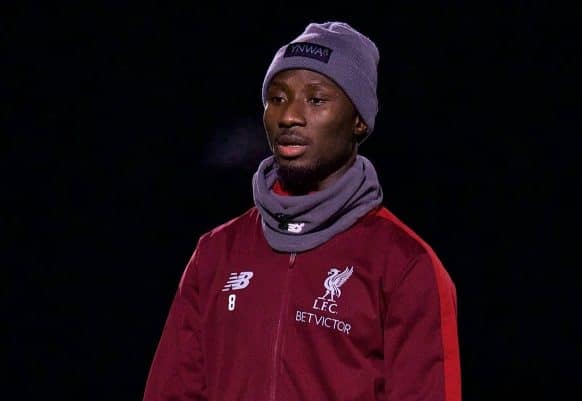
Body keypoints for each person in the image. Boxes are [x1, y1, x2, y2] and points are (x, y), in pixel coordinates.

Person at [143, 21, 461, 401]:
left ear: (359, 120)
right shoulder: (215, 254)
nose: (289, 117)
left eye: (315, 100)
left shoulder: (404, 265)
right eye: (276, 99)